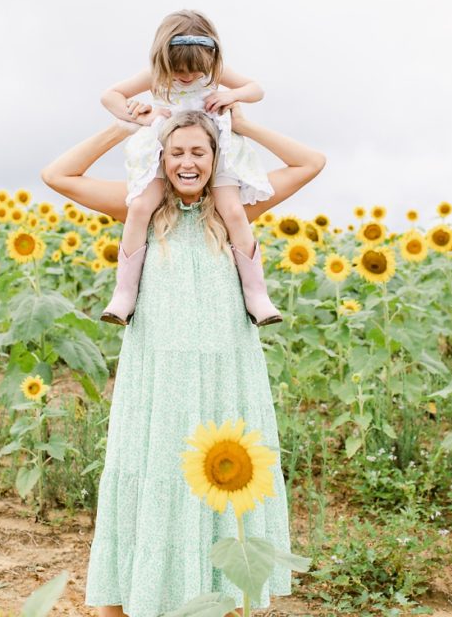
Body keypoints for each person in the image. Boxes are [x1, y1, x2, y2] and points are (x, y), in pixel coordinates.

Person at [40, 108, 327, 617]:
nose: (188, 163)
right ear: (160, 158)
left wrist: (243, 125)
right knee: (155, 477)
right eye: (176, 153)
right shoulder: (141, 208)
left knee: (221, 486)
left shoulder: (236, 208)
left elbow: (311, 161)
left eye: (200, 152)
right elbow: (57, 175)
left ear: (218, 160)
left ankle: (218, 604)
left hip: (224, 376)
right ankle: (133, 604)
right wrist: (125, 129)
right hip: (158, 378)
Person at [98, 8, 280, 327]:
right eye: (179, 70)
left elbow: (257, 89)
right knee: (140, 207)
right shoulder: (154, 76)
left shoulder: (214, 73)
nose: (187, 77)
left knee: (234, 212)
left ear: (211, 60)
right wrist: (137, 112)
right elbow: (109, 96)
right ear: (163, 61)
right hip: (165, 148)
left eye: (195, 71)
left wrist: (232, 94)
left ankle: (257, 294)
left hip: (214, 149)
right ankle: (124, 293)